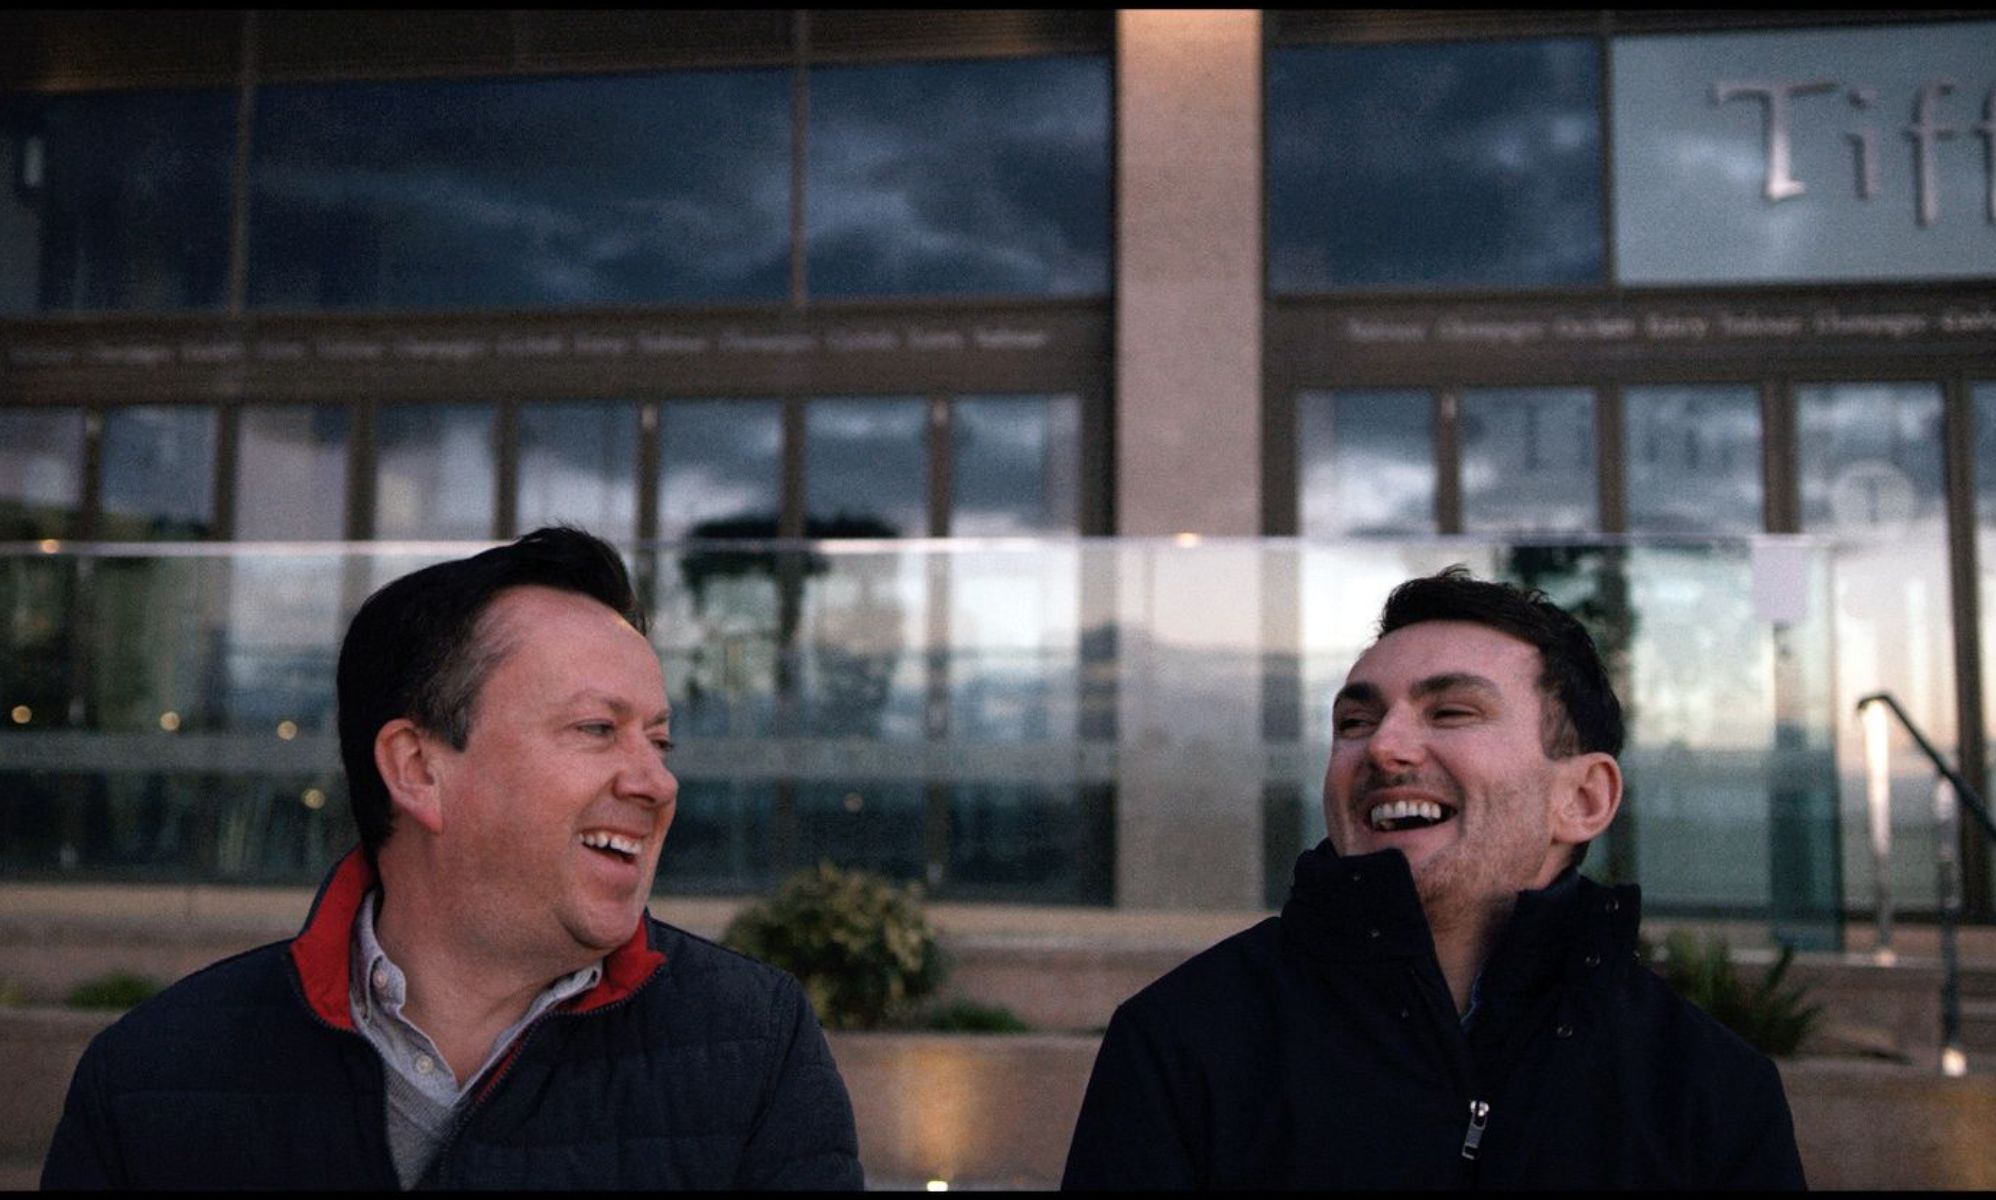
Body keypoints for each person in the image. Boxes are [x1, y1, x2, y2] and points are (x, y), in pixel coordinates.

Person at [43, 527, 864, 1190]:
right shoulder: (150, 1078)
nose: (655, 780)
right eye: (596, 730)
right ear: (418, 769)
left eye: (659, 739)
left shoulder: (756, 1048)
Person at [1061, 566, 1806, 1190]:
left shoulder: (1709, 1092)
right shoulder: (1181, 1042)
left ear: (1582, 799)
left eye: (1450, 712)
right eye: (1355, 723)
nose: (1383, 747)